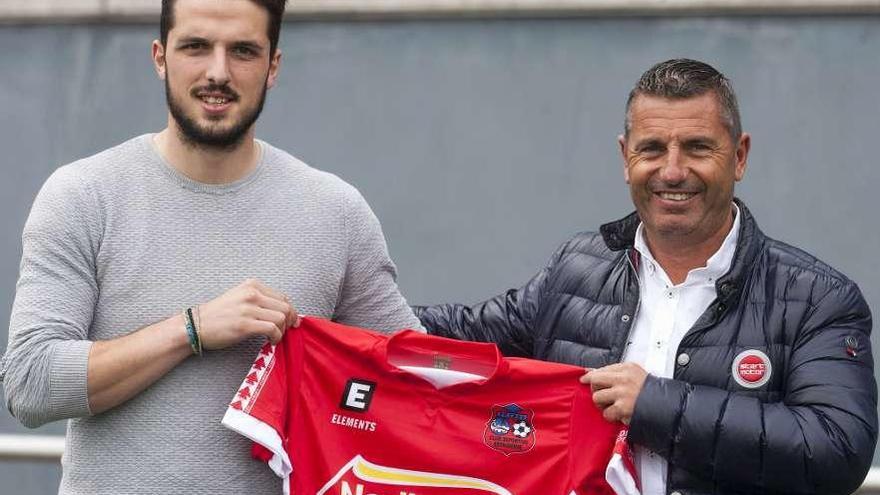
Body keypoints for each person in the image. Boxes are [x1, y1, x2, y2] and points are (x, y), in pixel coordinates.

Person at [1, 0, 421, 493]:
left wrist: (531, 349)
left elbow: (411, 379)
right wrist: (192, 329)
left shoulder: (335, 212)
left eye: (243, 51)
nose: (218, 72)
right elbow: (30, 383)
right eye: (196, 47)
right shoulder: (84, 196)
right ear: (160, 57)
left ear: (273, 66)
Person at [415, 58, 876, 495]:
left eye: (697, 147)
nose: (672, 171)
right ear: (625, 157)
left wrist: (656, 406)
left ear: (739, 156)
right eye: (652, 149)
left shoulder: (817, 298)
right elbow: (454, 336)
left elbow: (837, 450)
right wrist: (347, 306)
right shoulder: (576, 271)